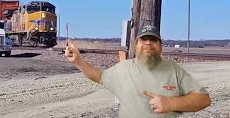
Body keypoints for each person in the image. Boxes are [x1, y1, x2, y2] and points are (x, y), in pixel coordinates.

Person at [64, 25, 211, 118]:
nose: (148, 43)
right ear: (136, 45)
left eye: (153, 40)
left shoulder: (173, 70)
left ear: (160, 46)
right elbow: (99, 76)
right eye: (143, 39)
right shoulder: (123, 69)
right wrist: (78, 61)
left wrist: (171, 103)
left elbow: (204, 100)